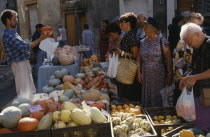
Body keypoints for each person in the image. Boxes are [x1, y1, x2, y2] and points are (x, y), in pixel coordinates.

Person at [1, 9, 47, 99]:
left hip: (23, 63)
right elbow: (24, 47)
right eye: (14, 19)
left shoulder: (13, 33)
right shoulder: (8, 34)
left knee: (30, 91)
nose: (17, 21)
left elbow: (23, 46)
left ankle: (31, 110)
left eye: (16, 19)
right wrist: (40, 39)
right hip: (19, 65)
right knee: (24, 93)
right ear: (7, 20)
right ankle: (25, 111)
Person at [179, 23, 210, 133]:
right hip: (200, 94)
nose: (189, 45)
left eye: (189, 42)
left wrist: (195, 77)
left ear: (197, 34)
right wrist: (187, 78)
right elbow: (196, 68)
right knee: (199, 125)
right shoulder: (198, 46)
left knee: (204, 128)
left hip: (207, 96)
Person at [137, 17, 172, 107]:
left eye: (146, 26)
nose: (143, 29)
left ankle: (158, 116)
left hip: (158, 75)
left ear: (153, 28)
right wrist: (139, 72)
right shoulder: (143, 42)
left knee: (158, 97)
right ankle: (149, 115)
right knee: (147, 96)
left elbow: (168, 58)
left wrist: (169, 74)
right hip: (146, 74)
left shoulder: (163, 41)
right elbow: (139, 58)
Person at [114, 12, 140, 101]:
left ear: (128, 24)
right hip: (126, 69)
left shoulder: (130, 36)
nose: (120, 25)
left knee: (128, 95)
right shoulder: (128, 35)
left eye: (122, 23)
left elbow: (135, 54)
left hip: (128, 70)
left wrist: (121, 53)